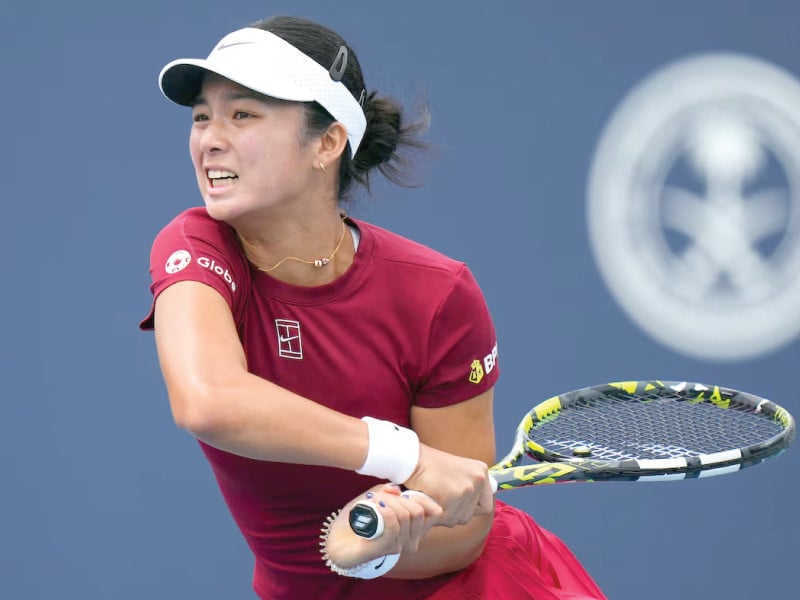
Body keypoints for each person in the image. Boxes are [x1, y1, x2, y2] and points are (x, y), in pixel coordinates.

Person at [140, 15, 606, 600]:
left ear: (328, 142)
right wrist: (406, 458)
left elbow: (466, 524)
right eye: (201, 115)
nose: (209, 137)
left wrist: (373, 554)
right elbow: (208, 400)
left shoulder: (437, 294)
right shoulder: (193, 246)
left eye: (243, 114)